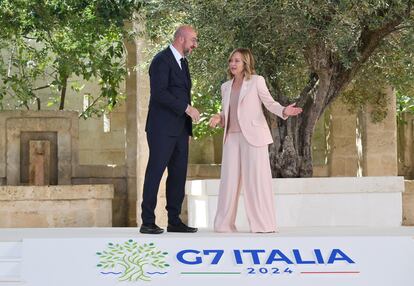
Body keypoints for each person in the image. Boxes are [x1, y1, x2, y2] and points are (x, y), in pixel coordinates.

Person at [209, 48, 302, 233]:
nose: (233, 64)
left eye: (237, 61)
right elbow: (228, 112)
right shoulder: (225, 86)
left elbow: (269, 103)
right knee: (229, 182)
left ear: (245, 63)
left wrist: (284, 110)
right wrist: (219, 118)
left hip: (254, 137)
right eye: (231, 61)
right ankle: (224, 225)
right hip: (231, 138)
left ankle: (263, 224)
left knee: (256, 181)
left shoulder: (256, 81)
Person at [140, 25, 200, 234]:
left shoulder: (183, 63)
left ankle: (174, 220)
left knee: (178, 174)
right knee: (155, 173)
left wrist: (187, 129)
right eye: (193, 40)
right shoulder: (161, 60)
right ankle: (147, 221)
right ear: (181, 39)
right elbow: (159, 94)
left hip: (180, 130)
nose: (195, 44)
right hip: (161, 128)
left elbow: (182, 94)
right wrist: (187, 109)